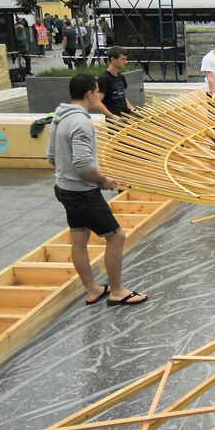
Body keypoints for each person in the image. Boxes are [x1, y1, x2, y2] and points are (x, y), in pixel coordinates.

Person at [47, 73, 146, 307]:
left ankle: (93, 289)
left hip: (64, 188)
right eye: (97, 92)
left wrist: (69, 174)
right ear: (89, 94)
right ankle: (117, 291)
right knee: (116, 236)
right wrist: (102, 180)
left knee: (79, 239)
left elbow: (51, 156)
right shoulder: (81, 122)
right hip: (82, 192)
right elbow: (83, 165)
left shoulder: (59, 117)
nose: (99, 96)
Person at [95, 46, 135, 119]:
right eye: (123, 59)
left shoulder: (121, 77)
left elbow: (122, 97)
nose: (125, 62)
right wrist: (112, 116)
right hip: (114, 121)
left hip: (125, 117)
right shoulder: (104, 79)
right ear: (113, 59)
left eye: (126, 59)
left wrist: (134, 110)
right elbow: (97, 102)